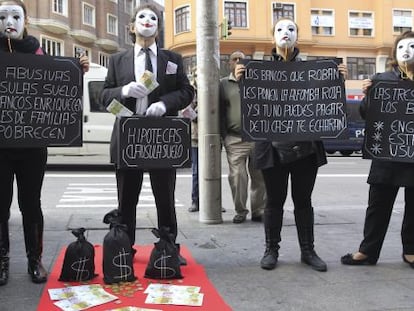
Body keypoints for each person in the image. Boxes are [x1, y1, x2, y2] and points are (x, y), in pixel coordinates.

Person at [235, 18, 347, 271]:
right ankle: (271, 250)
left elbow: (327, 101)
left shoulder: (316, 71)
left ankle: (308, 250)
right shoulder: (256, 70)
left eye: (291, 29)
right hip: (271, 148)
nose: (285, 33)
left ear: (298, 36)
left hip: (305, 148)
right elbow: (251, 106)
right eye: (279, 29)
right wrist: (242, 80)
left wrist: (338, 80)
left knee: (303, 201)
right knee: (274, 201)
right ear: (272, 37)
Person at [0, 0, 89, 285]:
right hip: (0, 148)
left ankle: (34, 259)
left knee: (31, 204)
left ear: (25, 20)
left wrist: (78, 70)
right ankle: (2, 261)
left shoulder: (37, 51)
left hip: (32, 147)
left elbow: (57, 84)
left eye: (15, 16)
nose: (9, 22)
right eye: (2, 18)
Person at [101, 4, 194, 263]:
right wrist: (124, 91)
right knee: (127, 198)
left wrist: (165, 103)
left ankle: (168, 247)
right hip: (129, 137)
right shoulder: (117, 60)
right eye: (142, 16)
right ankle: (124, 248)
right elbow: (104, 96)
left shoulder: (172, 59)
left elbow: (187, 92)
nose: (148, 20)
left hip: (162, 138)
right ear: (131, 27)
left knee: (165, 197)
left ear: (158, 26)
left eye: (153, 17)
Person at [341, 30, 414, 269]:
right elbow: (365, 114)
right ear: (394, 52)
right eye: (402, 46)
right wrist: (367, 95)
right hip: (385, 153)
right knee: (377, 205)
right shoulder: (382, 78)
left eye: (412, 46)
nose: (406, 51)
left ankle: (411, 250)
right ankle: (367, 251)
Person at [219, 50, 266, 223]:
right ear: (230, 64)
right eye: (235, 59)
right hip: (235, 138)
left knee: (260, 176)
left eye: (242, 59)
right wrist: (221, 137)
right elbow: (218, 111)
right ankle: (241, 210)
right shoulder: (223, 84)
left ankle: (258, 210)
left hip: (257, 136)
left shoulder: (258, 82)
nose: (239, 61)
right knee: (238, 176)